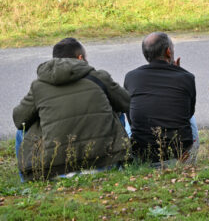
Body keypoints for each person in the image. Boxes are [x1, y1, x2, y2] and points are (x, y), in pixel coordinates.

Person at [13, 38, 130, 181]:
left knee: (23, 128)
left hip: (57, 171)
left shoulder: (38, 86)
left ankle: (26, 181)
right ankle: (122, 162)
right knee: (117, 111)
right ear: (80, 58)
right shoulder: (99, 77)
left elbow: (18, 120)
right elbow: (127, 103)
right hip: (104, 163)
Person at [123, 32, 197, 164]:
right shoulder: (187, 77)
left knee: (130, 121)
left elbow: (131, 119)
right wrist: (178, 73)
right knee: (189, 116)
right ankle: (188, 163)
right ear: (169, 52)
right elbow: (188, 113)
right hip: (179, 155)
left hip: (144, 157)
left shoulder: (131, 77)